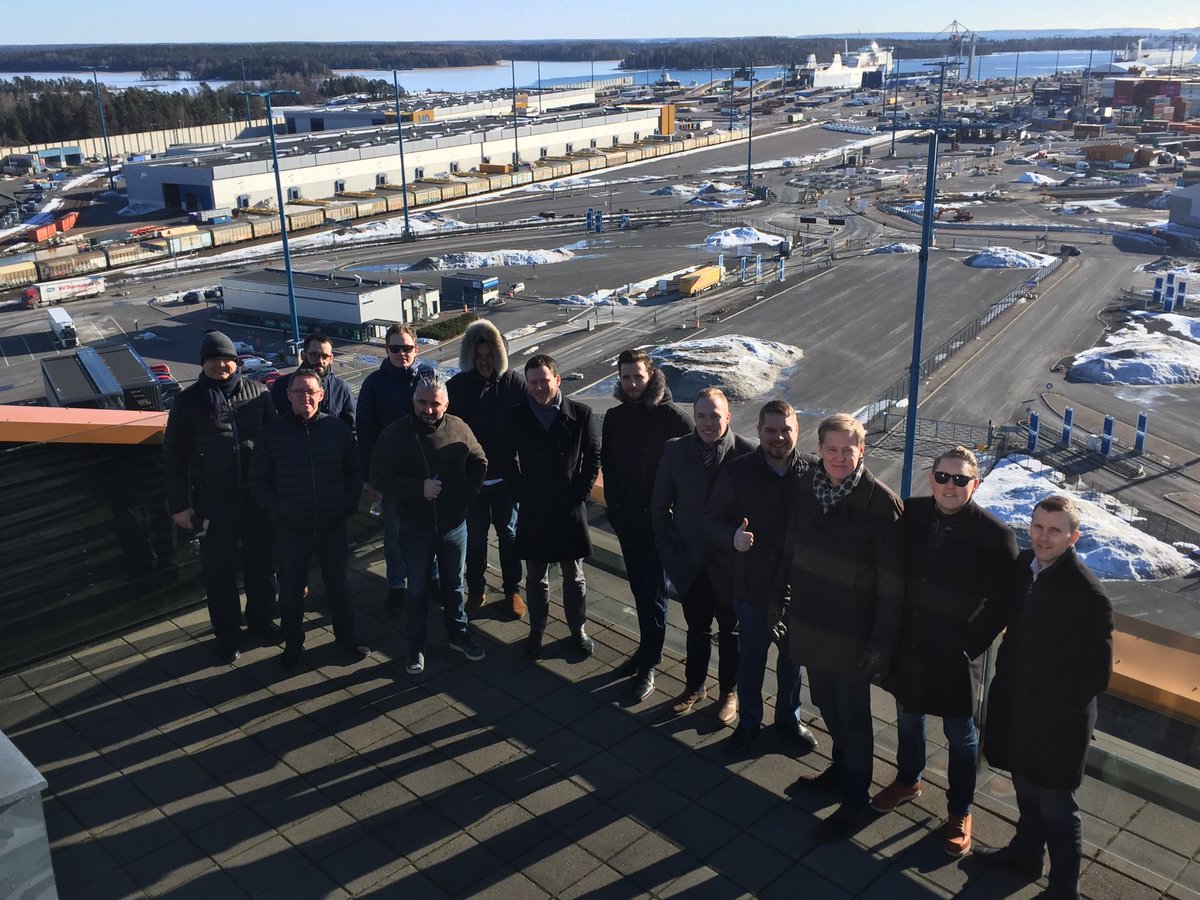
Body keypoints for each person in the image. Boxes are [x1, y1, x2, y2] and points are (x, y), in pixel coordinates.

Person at [874, 446, 1018, 857]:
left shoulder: (996, 535)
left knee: (960, 733)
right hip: (912, 643)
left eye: (960, 480)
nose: (949, 486)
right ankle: (908, 780)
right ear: (931, 478)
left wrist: (968, 646)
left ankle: (960, 810)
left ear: (975, 484)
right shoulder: (911, 513)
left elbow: (1000, 603)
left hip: (956, 655)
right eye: (943, 477)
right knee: (907, 717)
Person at [978, 495, 1113, 900]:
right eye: (1037, 526)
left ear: (1074, 537)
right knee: (1025, 789)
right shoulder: (1026, 568)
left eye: (1054, 530)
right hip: (1018, 706)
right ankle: (1026, 855)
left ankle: (1063, 888)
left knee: (1057, 806)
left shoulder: (1089, 595)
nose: (1043, 537)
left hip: (1058, 721)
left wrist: (1052, 714)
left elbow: (1096, 674)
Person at [783, 412, 903, 842]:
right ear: (818, 450)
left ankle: (854, 800)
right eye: (830, 449)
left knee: (854, 718)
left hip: (854, 636)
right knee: (826, 703)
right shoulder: (808, 486)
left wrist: (880, 645)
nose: (838, 457)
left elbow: (892, 587)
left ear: (861, 450)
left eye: (846, 450)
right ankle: (839, 768)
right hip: (812, 621)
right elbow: (794, 541)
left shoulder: (880, 504)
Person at [704, 399, 817, 756]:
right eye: (771, 430)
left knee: (793, 663)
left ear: (798, 430)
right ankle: (749, 723)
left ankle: (788, 718)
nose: (779, 437)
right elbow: (711, 521)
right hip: (752, 587)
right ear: (758, 431)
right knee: (751, 662)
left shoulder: (814, 472)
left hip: (798, 591)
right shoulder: (738, 472)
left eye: (786, 429)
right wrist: (731, 539)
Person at [163, 330, 278, 664]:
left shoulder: (259, 393)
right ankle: (228, 636)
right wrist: (179, 505)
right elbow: (173, 457)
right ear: (204, 363)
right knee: (219, 574)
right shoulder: (188, 402)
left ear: (236, 361)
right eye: (214, 359)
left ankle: (261, 621)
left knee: (261, 567)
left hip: (256, 499)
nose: (221, 364)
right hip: (214, 502)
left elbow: (276, 444)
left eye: (227, 358)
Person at [248, 367, 369, 668]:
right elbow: (257, 482)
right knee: (290, 593)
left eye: (311, 391)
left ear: (321, 395)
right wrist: (280, 512)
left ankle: (346, 639)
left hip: (332, 525)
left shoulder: (337, 429)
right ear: (287, 396)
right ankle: (293, 645)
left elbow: (355, 472)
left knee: (339, 586)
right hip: (292, 529)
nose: (305, 397)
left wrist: (349, 505)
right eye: (298, 392)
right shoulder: (272, 435)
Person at [371, 373, 489, 675]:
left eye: (435, 404)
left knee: (454, 587)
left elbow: (480, 460)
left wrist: (465, 497)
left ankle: (458, 634)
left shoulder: (458, 428)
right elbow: (380, 477)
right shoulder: (396, 434)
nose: (428, 409)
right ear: (413, 401)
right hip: (415, 528)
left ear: (446, 403)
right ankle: (416, 645)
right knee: (418, 591)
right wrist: (417, 488)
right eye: (422, 402)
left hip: (453, 527)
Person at [651, 387, 752, 723]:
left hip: (730, 565)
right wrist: (670, 553)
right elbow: (659, 504)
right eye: (702, 416)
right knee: (697, 629)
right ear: (694, 417)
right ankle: (694, 686)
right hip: (690, 563)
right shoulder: (676, 450)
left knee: (730, 633)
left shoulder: (746, 454)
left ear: (728, 417)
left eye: (715, 416)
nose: (708, 423)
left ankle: (729, 692)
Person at [602, 349, 692, 702]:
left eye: (637, 376)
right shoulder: (615, 416)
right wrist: (614, 508)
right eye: (625, 377)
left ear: (651, 375)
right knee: (639, 590)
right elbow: (607, 464)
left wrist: (674, 516)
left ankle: (650, 664)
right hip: (627, 520)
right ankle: (644, 651)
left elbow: (693, 469)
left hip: (659, 524)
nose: (632, 383)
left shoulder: (673, 418)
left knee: (655, 594)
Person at [501, 354, 600, 661]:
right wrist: (521, 493)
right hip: (535, 507)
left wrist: (579, 494)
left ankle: (577, 629)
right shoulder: (516, 416)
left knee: (574, 575)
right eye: (533, 383)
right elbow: (505, 459)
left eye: (544, 381)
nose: (539, 388)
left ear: (557, 380)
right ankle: (537, 631)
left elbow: (593, 457)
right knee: (535, 577)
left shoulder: (581, 414)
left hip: (568, 507)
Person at [446, 320, 530, 620]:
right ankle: (477, 588)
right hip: (473, 481)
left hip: (506, 477)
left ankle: (512, 590)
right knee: (476, 537)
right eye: (478, 356)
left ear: (500, 356)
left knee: (509, 535)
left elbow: (533, 425)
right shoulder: (456, 387)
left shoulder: (514, 384)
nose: (484, 363)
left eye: (490, 356)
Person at [357, 324, 432, 614]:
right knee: (394, 534)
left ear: (417, 349)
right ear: (386, 349)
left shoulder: (429, 378)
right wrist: (370, 477)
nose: (401, 353)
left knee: (430, 529)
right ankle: (397, 586)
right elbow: (365, 432)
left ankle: (432, 578)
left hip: (426, 471)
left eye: (407, 348)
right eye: (395, 348)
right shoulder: (374, 384)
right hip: (391, 475)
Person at [269, 332, 355, 431]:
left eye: (325, 356)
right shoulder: (282, 386)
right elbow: (272, 426)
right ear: (303, 355)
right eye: (315, 355)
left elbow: (352, 428)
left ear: (331, 358)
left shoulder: (341, 388)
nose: (320, 361)